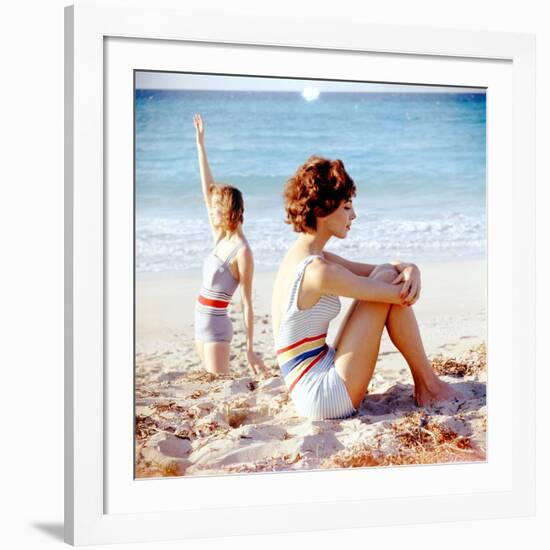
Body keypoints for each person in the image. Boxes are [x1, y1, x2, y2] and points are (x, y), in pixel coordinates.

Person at [271, 155, 460, 420]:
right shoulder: (318, 271)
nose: (354, 215)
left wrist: (410, 267)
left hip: (313, 376)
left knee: (384, 275)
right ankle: (429, 386)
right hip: (323, 396)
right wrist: (407, 279)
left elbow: (379, 270)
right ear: (323, 210)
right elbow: (397, 294)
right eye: (347, 207)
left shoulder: (307, 257)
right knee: (386, 282)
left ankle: (428, 384)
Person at [193, 114, 266, 376]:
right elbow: (208, 190)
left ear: (226, 212)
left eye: (215, 209)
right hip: (199, 320)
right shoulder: (219, 235)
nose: (210, 211)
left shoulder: (242, 251)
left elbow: (247, 303)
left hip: (216, 328)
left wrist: (249, 348)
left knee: (217, 385)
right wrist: (200, 146)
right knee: (208, 383)